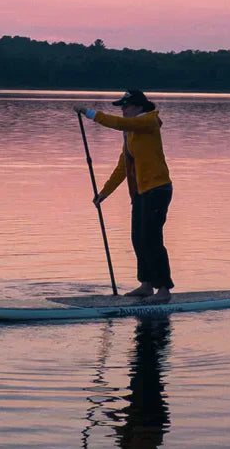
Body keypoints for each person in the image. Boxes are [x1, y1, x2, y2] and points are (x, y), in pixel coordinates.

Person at [74, 90, 174, 303]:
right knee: (138, 238)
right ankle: (146, 285)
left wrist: (89, 112)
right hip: (140, 193)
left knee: (152, 239)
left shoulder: (148, 122)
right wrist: (104, 193)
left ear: (138, 106)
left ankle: (164, 289)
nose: (123, 109)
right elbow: (123, 167)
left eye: (126, 106)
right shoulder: (130, 133)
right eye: (122, 106)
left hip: (157, 189)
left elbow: (119, 123)